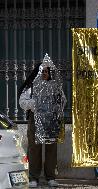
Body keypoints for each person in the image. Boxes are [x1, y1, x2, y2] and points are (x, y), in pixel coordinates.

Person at [19, 54, 66, 188]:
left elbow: (63, 100)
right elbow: (22, 102)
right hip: (35, 119)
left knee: (51, 148)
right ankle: (33, 177)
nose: (45, 73)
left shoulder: (55, 87)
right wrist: (34, 104)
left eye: (47, 71)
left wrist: (57, 106)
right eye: (43, 71)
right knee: (34, 148)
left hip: (51, 120)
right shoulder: (31, 87)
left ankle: (50, 177)